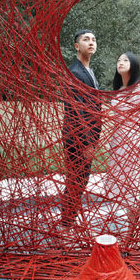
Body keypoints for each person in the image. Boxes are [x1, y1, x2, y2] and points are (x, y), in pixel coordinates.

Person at [60, 29, 101, 228]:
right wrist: (86, 143)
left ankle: (69, 219)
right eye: (86, 40)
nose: (91, 43)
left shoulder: (89, 72)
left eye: (93, 40)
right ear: (77, 46)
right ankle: (67, 223)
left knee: (80, 180)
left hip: (85, 138)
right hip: (77, 138)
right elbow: (77, 112)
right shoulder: (75, 73)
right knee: (76, 181)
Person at [104, 52, 140, 214]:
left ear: (134, 65)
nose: (120, 62)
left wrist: (137, 142)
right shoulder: (119, 90)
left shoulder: (139, 91)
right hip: (117, 141)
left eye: (125, 60)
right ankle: (125, 231)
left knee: (132, 185)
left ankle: (131, 232)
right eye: (119, 59)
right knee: (119, 183)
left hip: (131, 141)